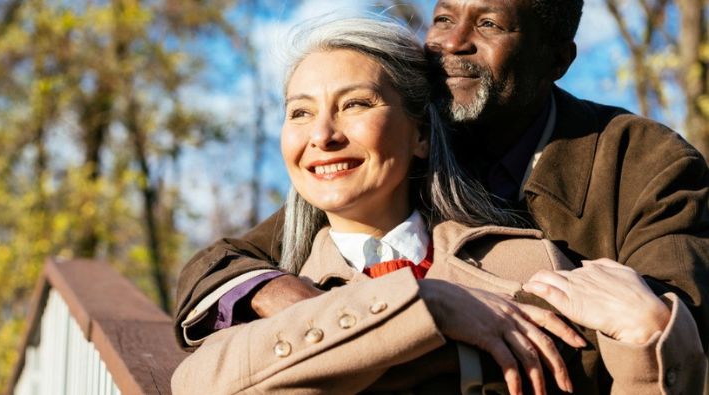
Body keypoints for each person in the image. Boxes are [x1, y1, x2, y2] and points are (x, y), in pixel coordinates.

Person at [172, 16, 706, 395]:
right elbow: (230, 266)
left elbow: (668, 331)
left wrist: (651, 331)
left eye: (490, 24)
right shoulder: (364, 178)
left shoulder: (640, 160)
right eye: (444, 17)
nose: (452, 43)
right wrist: (421, 305)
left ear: (557, 57)